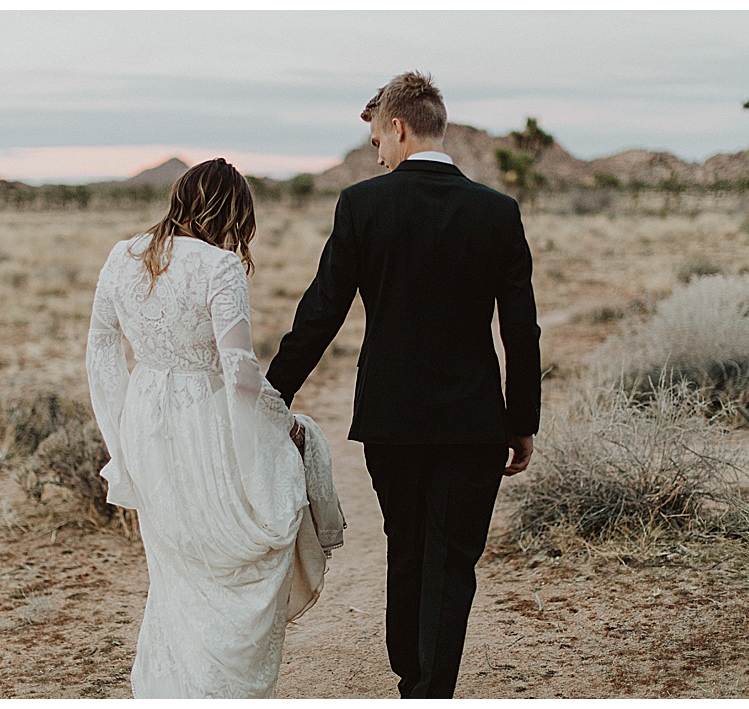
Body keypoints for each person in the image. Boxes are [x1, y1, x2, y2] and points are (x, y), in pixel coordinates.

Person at [266, 71, 541, 699]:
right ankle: (428, 683)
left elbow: (322, 311)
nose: (376, 154)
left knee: (408, 542)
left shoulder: (363, 206)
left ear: (397, 126)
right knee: (452, 557)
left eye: (377, 139)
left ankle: (410, 676)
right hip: (473, 421)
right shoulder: (498, 212)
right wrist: (521, 418)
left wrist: (273, 392)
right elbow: (521, 329)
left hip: (391, 418)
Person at [85, 158, 333, 698]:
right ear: (231, 211)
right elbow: (239, 373)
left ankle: (175, 687)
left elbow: (101, 348)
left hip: (145, 421)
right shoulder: (218, 267)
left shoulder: (121, 255)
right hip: (206, 422)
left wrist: (119, 428)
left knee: (173, 566)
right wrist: (278, 422)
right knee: (229, 555)